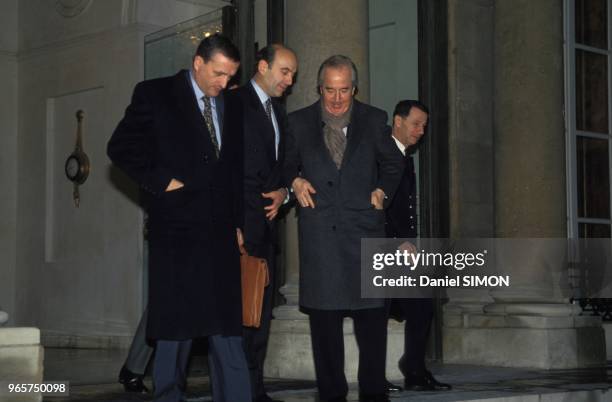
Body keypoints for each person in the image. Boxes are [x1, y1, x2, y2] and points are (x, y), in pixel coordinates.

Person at [107, 34, 250, 402]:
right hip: (177, 230)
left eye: (230, 77)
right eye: (218, 74)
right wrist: (162, 182)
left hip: (219, 231)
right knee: (176, 325)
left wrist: (238, 223)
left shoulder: (231, 105)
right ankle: (168, 394)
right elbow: (120, 146)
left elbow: (233, 169)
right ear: (198, 62)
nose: (224, 83)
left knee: (226, 325)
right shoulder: (154, 94)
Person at [283, 55, 404, 402]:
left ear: (355, 88)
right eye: (330, 90)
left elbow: (394, 163)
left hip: (365, 233)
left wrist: (382, 189)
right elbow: (285, 164)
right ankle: (331, 396)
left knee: (371, 328)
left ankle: (373, 394)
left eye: (345, 90)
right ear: (319, 88)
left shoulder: (374, 119)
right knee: (324, 327)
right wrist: (294, 180)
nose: (337, 99)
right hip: (320, 238)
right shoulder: (298, 122)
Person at [227, 44, 297, 402]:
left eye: (292, 74)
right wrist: (233, 223)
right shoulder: (234, 103)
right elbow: (227, 169)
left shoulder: (279, 113)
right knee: (237, 319)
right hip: (238, 229)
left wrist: (284, 192)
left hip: (266, 230)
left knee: (259, 315)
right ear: (263, 66)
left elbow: (286, 164)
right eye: (284, 72)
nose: (289, 80)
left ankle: (254, 390)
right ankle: (238, 391)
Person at [385, 100, 451, 391]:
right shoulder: (381, 155)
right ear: (397, 121)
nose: (421, 131)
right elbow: (375, 206)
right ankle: (376, 378)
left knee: (422, 306)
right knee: (378, 312)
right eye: (415, 123)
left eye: (424, 125)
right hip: (381, 251)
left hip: (401, 252)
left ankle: (413, 368)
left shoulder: (404, 156)